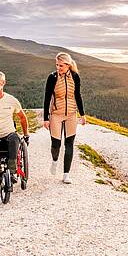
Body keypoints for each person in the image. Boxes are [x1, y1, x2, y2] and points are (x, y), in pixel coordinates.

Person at [43, 53, 86, 184]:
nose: (58, 67)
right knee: (56, 144)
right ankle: (55, 160)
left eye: (61, 65)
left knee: (69, 144)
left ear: (68, 65)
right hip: (56, 114)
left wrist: (82, 115)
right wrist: (46, 118)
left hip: (72, 114)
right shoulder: (52, 77)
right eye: (57, 65)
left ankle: (66, 174)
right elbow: (47, 98)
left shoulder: (75, 76)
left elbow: (78, 95)